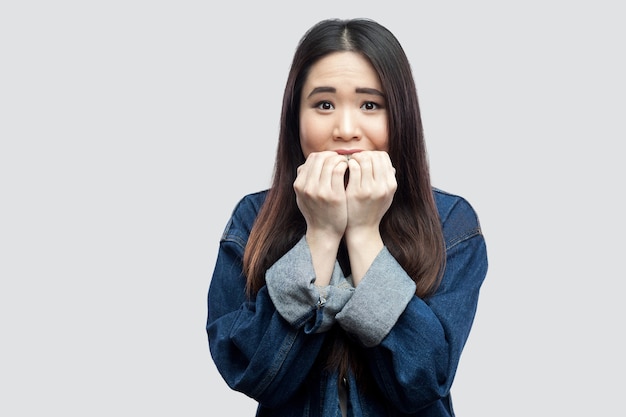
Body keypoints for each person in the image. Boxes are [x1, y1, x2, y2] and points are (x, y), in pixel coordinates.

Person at [206, 17, 488, 417]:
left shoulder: (450, 223)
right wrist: (320, 235)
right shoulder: (254, 218)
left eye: (370, 105)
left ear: (401, 117)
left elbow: (424, 379)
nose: (345, 129)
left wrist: (364, 235)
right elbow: (250, 371)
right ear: (295, 118)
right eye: (324, 105)